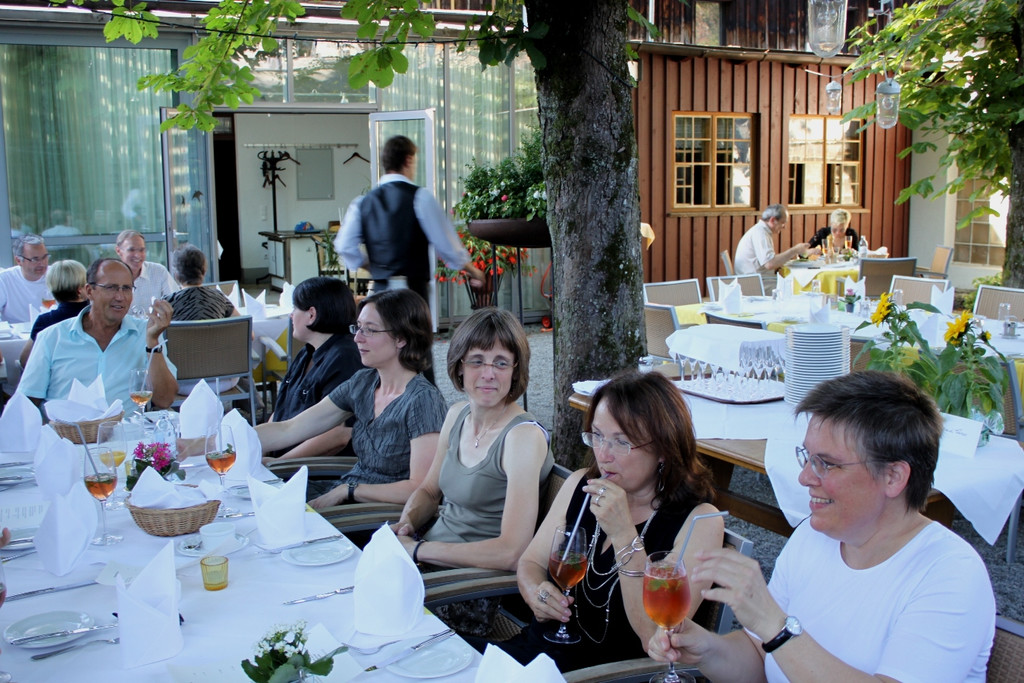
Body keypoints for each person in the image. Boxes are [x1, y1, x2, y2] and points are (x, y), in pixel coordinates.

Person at [648, 371, 995, 682]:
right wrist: (706, 650)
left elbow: (775, 639)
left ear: (893, 476)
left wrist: (776, 627)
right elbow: (760, 657)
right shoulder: (813, 537)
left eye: (826, 464)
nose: (804, 477)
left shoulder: (949, 573)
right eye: (807, 457)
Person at [498, 371, 723, 672]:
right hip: (533, 656)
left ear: (663, 449)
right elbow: (530, 562)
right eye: (597, 436)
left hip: (601, 675)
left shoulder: (700, 522)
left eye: (621, 442)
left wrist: (623, 533)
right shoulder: (581, 484)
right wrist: (536, 593)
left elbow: (655, 637)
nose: (603, 454)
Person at [391, 308, 553, 635]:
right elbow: (429, 491)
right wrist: (406, 524)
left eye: (501, 363)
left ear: (515, 371)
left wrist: (419, 550)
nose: (488, 373)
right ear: (459, 366)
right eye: (477, 361)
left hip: (471, 586)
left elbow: (512, 552)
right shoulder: (457, 415)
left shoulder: (522, 438)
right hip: (428, 560)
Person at [257, 288, 446, 507]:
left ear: (401, 338)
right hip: (345, 496)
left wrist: (349, 491)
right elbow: (290, 428)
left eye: (370, 330)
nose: (357, 338)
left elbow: (422, 490)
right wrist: (232, 442)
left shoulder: (423, 401)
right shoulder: (363, 383)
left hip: (375, 515)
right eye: (358, 327)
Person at [336, 135, 485, 304]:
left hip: (380, 294)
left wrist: (372, 266)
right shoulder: (420, 198)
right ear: (408, 160)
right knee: (414, 323)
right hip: (413, 294)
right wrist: (473, 270)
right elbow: (446, 245)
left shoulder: (362, 203)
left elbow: (344, 245)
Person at [18, 258, 178, 409]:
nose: (120, 297)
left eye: (127, 288)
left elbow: (165, 400)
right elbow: (26, 403)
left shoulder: (146, 333)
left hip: (126, 427)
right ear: (89, 291)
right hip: (68, 429)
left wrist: (152, 343)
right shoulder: (52, 337)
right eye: (111, 288)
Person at [265, 276, 362, 459]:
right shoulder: (307, 351)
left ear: (311, 315)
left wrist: (277, 464)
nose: (291, 315)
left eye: (295, 308)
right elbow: (281, 412)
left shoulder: (344, 358)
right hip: (283, 462)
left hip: (315, 468)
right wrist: (259, 450)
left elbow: (337, 436)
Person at [19, 259, 89, 368]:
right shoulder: (98, 317)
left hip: (57, 377)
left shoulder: (46, 321)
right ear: (84, 287)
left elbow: (25, 361)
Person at [164, 244, 238, 321]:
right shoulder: (220, 298)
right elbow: (242, 324)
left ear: (176, 275)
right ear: (204, 271)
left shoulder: (166, 304)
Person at [734, 204, 809, 278]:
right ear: (772, 220)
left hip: (757, 278)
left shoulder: (762, 231)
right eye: (782, 223)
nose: (784, 227)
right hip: (754, 281)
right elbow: (770, 264)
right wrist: (795, 250)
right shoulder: (760, 233)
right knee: (794, 282)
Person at [115, 230, 178, 307]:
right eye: (131, 250)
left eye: (141, 250)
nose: (137, 255)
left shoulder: (159, 272)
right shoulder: (109, 276)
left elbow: (176, 304)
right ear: (118, 251)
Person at [0, 235, 51, 324]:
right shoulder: (4, 279)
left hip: (51, 329)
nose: (42, 263)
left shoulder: (56, 275)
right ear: (18, 260)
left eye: (44, 257)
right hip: (15, 331)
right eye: (35, 259)